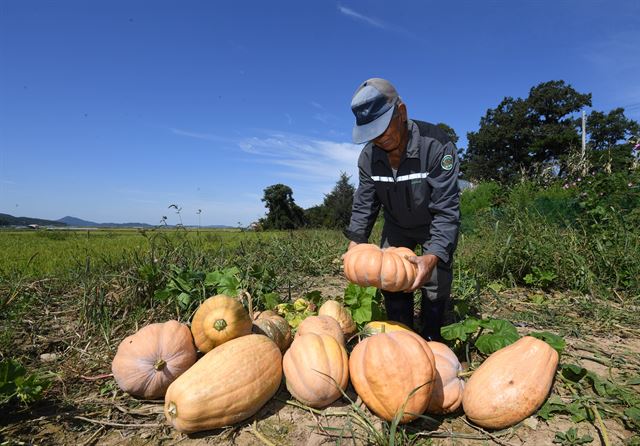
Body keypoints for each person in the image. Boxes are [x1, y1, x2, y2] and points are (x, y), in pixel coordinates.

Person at [344, 78, 460, 341]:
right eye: (371, 134)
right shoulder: (368, 158)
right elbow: (365, 202)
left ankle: (432, 336)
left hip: (432, 222)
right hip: (396, 224)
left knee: (435, 280)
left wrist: (432, 257)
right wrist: (355, 243)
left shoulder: (437, 145)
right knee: (392, 280)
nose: (378, 141)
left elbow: (446, 209)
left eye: (382, 131)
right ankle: (403, 335)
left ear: (401, 113)